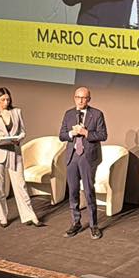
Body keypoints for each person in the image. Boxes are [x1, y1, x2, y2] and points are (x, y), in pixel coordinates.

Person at [0, 87, 40, 228]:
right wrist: (0, 140)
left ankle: (29, 215)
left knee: (21, 185)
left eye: (8, 99)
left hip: (14, 152)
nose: (6, 102)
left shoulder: (17, 112)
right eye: (3, 100)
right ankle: (2, 216)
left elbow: (23, 131)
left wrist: (18, 138)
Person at [59, 86, 107, 238]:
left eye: (84, 98)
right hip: (72, 156)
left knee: (88, 191)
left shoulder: (97, 114)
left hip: (87, 157)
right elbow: (61, 135)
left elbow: (103, 135)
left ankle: (94, 225)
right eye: (78, 97)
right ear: (74, 98)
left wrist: (86, 133)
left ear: (89, 99)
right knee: (73, 191)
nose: (80, 100)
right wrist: (71, 133)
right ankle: (76, 222)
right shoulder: (68, 114)